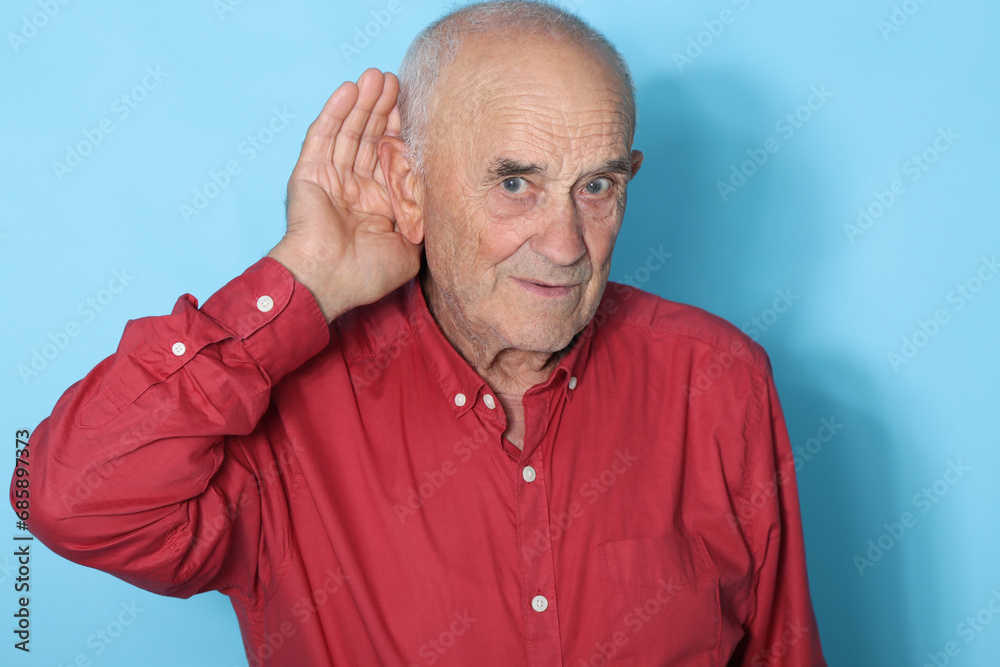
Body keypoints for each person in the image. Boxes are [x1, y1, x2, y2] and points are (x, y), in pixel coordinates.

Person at [14, 1, 827, 665]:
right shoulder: (290, 404)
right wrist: (305, 276)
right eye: (516, 182)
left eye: (596, 186)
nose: (565, 244)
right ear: (411, 182)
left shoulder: (715, 376)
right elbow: (71, 502)